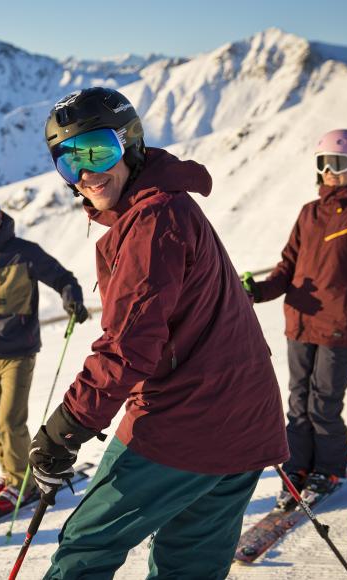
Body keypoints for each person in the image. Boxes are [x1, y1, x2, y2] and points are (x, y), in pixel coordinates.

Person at [28, 87, 288, 579]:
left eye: (98, 150)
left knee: (88, 545)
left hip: (186, 423)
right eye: (67, 161)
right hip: (245, 423)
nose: (85, 173)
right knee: (188, 565)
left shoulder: (151, 220)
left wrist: (66, 428)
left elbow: (128, 346)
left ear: (130, 143)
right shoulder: (168, 207)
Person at [242, 129, 347, 507]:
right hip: (300, 321)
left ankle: (329, 469)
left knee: (324, 404)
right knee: (298, 401)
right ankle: (299, 467)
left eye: (339, 164)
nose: (330, 172)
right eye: (324, 164)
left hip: (341, 326)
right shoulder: (309, 213)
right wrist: (257, 292)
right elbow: (286, 269)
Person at [0, 187, 88, 516]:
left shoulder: (24, 252)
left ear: (0, 214)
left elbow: (62, 277)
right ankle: (11, 472)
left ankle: (21, 484)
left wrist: (72, 298)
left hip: (18, 351)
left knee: (10, 420)